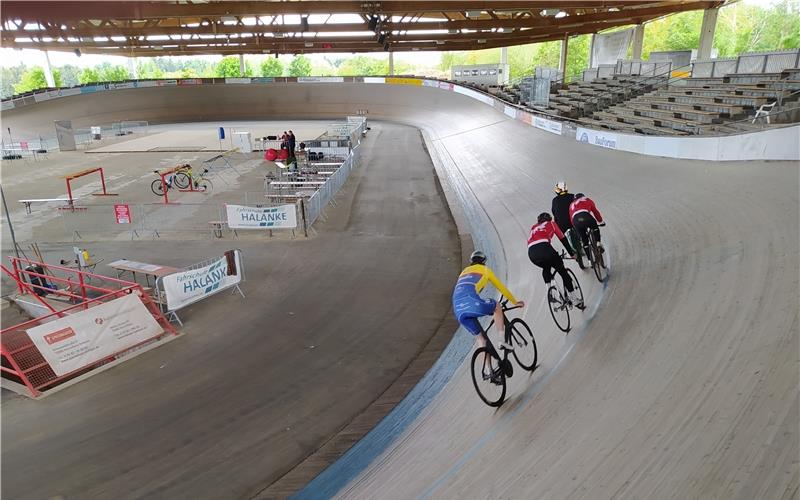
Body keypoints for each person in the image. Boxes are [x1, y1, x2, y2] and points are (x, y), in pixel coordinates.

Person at [453, 250, 524, 382]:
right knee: (497, 306)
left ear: (471, 262)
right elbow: (501, 287)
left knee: (481, 339)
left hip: (458, 310)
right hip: (472, 303)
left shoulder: (463, 273)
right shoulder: (485, 270)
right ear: (484, 262)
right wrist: (515, 301)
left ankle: (488, 370)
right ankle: (501, 340)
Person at [527, 212, 584, 308]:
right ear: (549, 219)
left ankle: (550, 291)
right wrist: (572, 254)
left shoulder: (533, 228)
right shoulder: (552, 224)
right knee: (563, 272)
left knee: (546, 266)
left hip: (532, 254)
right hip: (545, 249)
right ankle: (574, 300)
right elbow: (563, 239)